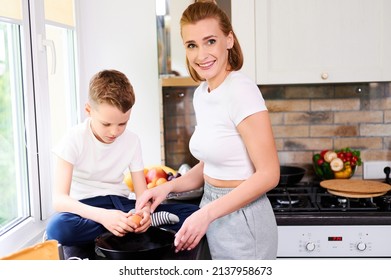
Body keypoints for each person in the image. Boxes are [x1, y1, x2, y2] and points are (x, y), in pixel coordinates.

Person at [136, 1, 280, 260]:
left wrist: (207, 212)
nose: (201, 55)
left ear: (229, 40)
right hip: (212, 209)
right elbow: (211, 165)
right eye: (192, 45)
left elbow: (269, 174)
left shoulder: (241, 91)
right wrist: (168, 188)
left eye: (210, 41)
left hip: (243, 219)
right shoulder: (202, 94)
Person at [46, 69, 199, 259]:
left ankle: (134, 223)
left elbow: (142, 195)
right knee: (57, 228)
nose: (114, 132)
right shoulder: (73, 139)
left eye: (122, 124)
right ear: (88, 110)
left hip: (121, 205)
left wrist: (144, 212)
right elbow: (59, 200)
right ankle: (131, 225)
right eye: (106, 124)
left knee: (194, 214)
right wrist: (104, 217)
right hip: (86, 209)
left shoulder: (132, 141)